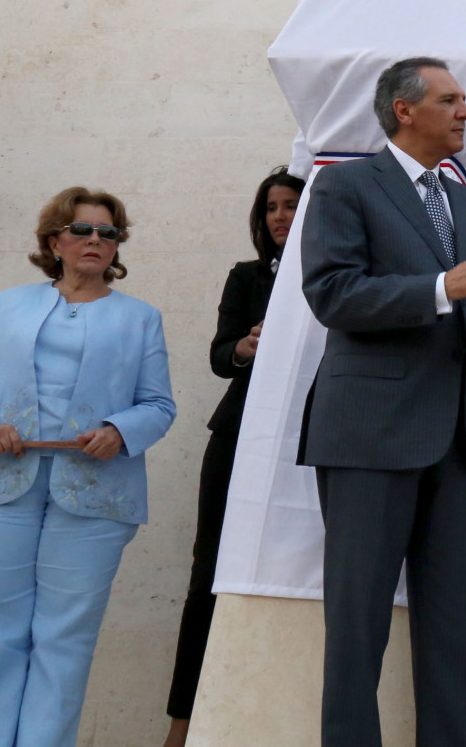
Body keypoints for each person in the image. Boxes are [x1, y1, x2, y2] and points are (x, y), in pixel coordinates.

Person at [299, 56, 466, 747]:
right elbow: (332, 293)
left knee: (453, 633)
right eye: (450, 100)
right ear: (404, 110)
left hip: (463, 443)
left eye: (464, 100)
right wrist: (440, 288)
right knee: (358, 626)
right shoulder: (345, 186)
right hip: (370, 435)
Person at [0, 187, 178, 747]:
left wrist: (119, 430)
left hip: (96, 493)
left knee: (65, 640)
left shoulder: (141, 318)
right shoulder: (8, 305)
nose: (95, 239)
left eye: (108, 232)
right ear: (54, 241)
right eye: (82, 230)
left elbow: (158, 405)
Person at [163, 167, 304, 747]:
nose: (279, 216)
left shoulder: (337, 276)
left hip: (309, 445)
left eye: (290, 205)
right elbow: (220, 355)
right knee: (209, 575)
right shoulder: (247, 276)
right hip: (240, 435)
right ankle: (182, 724)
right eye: (270, 207)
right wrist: (245, 345)